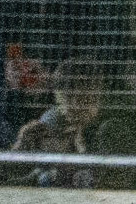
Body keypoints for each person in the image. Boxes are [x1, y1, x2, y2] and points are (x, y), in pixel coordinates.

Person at [11, 59, 103, 188]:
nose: (76, 105)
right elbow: (18, 176)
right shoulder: (49, 126)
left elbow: (102, 179)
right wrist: (22, 146)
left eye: (86, 98)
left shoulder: (104, 131)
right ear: (58, 96)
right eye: (69, 97)